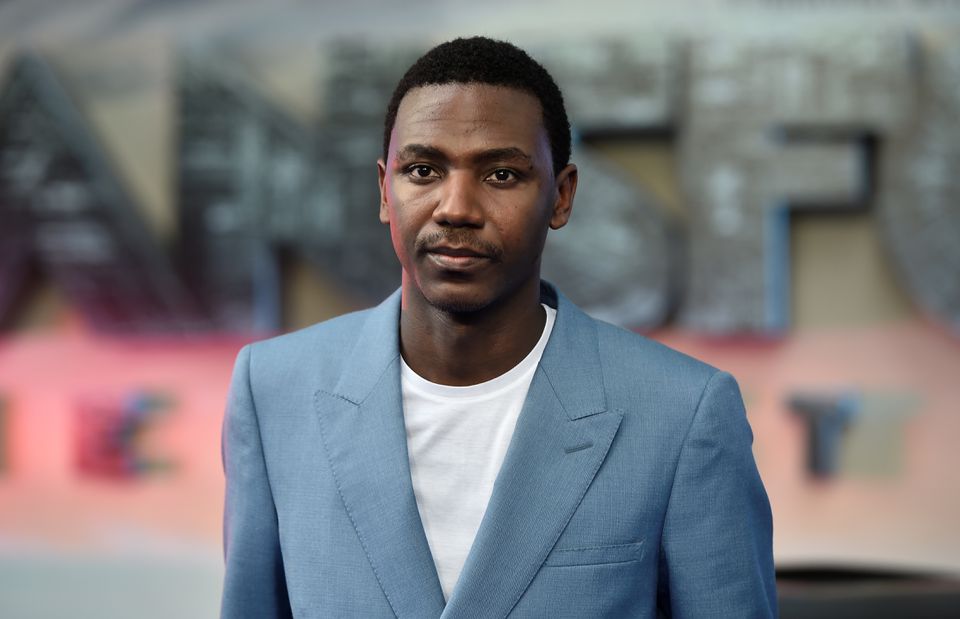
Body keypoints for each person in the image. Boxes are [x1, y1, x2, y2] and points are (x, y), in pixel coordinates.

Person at [221, 36, 777, 618]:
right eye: (422, 169)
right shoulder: (272, 391)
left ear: (561, 197)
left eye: (502, 175)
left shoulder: (682, 411)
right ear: (385, 190)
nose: (456, 206)